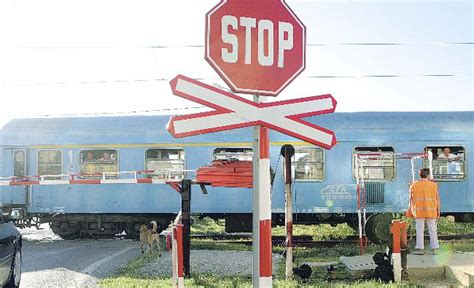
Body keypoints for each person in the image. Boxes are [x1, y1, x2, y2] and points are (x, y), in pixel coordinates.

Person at [406, 168, 440, 255]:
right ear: (428, 175)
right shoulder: (434, 185)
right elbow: (437, 199)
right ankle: (435, 249)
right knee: (432, 229)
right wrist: (438, 210)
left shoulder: (414, 185)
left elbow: (410, 198)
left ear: (419, 175)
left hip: (419, 211)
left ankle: (420, 249)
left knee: (419, 230)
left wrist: (410, 210)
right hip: (431, 211)